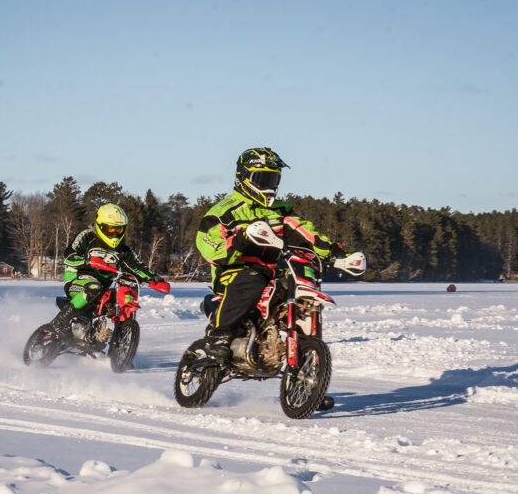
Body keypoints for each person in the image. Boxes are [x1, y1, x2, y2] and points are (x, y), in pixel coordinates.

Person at [195, 147, 344, 361]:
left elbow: (306, 233)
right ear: (244, 177)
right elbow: (208, 246)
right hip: (233, 272)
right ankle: (219, 336)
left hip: (273, 272)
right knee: (252, 278)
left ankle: (308, 367)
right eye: (262, 179)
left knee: (303, 287)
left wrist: (335, 252)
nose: (268, 186)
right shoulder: (225, 211)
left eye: (273, 180)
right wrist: (240, 240)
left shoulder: (280, 211)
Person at [50, 203, 166, 335]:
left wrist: (154, 277)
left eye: (119, 229)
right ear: (101, 225)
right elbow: (68, 254)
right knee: (94, 287)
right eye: (111, 229)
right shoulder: (87, 236)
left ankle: (106, 336)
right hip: (77, 280)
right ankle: (58, 323)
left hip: (102, 287)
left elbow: (137, 265)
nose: (115, 233)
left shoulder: (124, 250)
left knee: (117, 297)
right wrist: (86, 261)